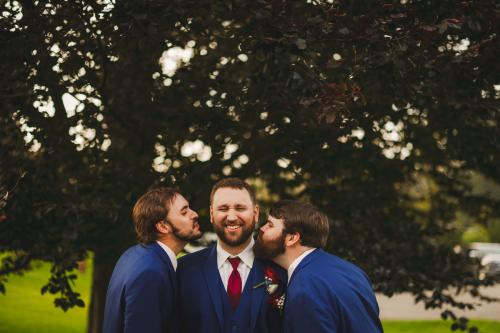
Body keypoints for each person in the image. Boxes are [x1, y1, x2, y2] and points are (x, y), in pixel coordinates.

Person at [254, 200, 383, 333]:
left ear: (292, 238)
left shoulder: (305, 285)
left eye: (270, 225)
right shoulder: (352, 271)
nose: (262, 228)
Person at [177, 178, 286, 333]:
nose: (232, 217)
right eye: (223, 209)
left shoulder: (281, 268)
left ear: (255, 213)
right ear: (211, 214)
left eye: (240, 208)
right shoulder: (184, 270)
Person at [103, 187, 201, 333]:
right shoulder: (150, 273)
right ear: (163, 226)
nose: (194, 214)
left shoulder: (134, 255)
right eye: (184, 212)